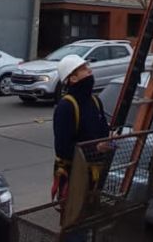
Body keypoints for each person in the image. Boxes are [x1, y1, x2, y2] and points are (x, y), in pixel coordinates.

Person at [50, 54, 111, 205]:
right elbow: (63, 149)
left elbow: (103, 133)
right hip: (74, 177)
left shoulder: (95, 101)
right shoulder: (66, 107)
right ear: (73, 78)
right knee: (73, 221)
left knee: (91, 217)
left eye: (88, 67)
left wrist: (111, 141)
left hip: (95, 175)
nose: (89, 71)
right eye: (83, 69)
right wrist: (95, 148)